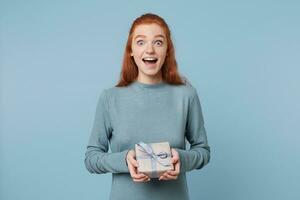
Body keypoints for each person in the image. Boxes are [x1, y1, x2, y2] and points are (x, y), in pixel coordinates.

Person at [84, 13, 211, 200]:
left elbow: (203, 150)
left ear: (167, 50)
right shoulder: (110, 98)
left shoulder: (186, 95)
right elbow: (91, 158)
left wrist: (181, 159)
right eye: (141, 42)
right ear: (131, 51)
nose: (150, 50)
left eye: (158, 42)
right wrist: (124, 160)